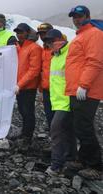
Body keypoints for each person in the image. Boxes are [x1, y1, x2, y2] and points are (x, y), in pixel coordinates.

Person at [65, 5, 103, 179]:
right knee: (78, 126)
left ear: (87, 16)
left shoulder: (94, 34)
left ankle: (96, 166)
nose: (76, 19)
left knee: (84, 127)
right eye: (74, 16)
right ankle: (83, 159)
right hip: (77, 90)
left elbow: (94, 61)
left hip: (86, 91)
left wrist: (84, 85)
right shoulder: (81, 35)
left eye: (79, 16)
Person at [43, 29, 76, 176]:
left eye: (51, 41)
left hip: (66, 100)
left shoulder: (70, 52)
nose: (49, 44)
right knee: (67, 131)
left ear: (60, 39)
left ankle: (56, 165)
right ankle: (71, 159)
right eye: (47, 42)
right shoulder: (55, 56)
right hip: (57, 101)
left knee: (55, 130)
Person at [14, 23, 42, 145]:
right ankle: (25, 132)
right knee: (22, 110)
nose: (19, 34)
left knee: (27, 111)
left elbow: (34, 70)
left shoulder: (34, 48)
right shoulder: (19, 47)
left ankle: (27, 136)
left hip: (28, 87)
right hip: (19, 86)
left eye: (21, 32)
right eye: (17, 32)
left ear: (27, 32)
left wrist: (20, 84)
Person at [37, 22, 55, 129]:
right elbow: (42, 70)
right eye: (40, 34)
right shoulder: (43, 49)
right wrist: (41, 89)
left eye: (45, 33)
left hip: (59, 90)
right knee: (49, 117)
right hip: (46, 89)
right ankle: (55, 142)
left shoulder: (59, 48)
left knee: (61, 120)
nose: (42, 36)